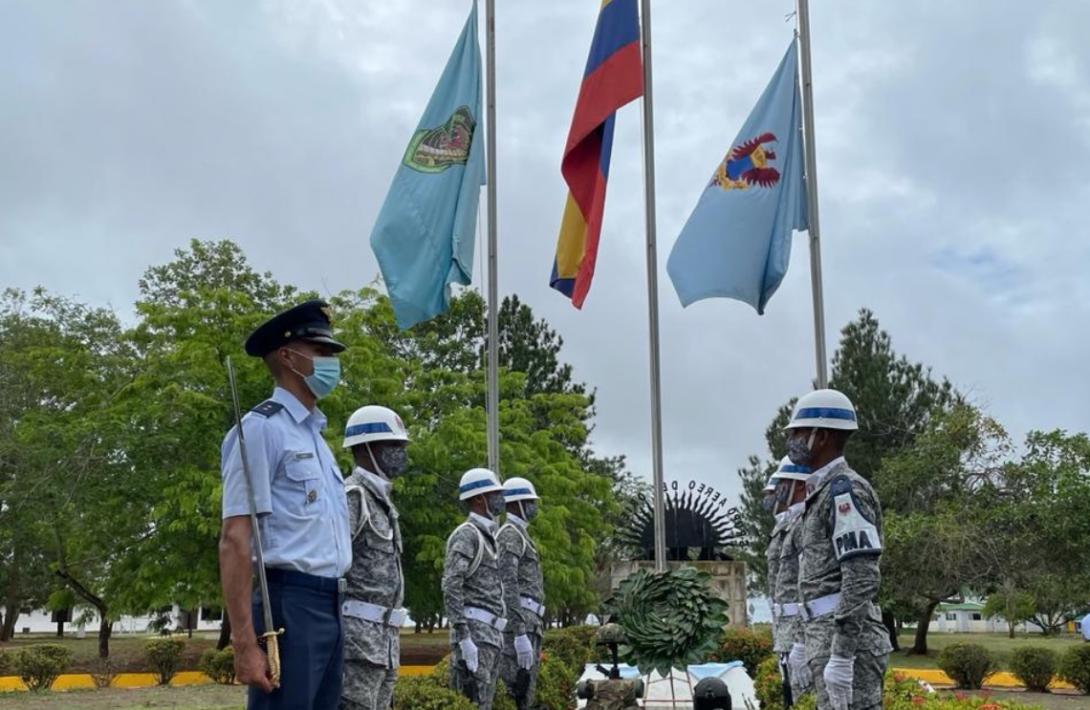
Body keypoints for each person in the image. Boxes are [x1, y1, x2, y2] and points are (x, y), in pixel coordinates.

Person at [219, 300, 352, 709]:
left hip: (332, 602)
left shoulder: (316, 436)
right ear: (288, 356)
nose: (331, 362)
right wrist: (244, 642)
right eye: (321, 352)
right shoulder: (261, 430)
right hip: (289, 606)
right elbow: (235, 539)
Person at [788, 389, 892, 710]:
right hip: (825, 636)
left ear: (822, 436)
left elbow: (860, 576)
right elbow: (817, 580)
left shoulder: (844, 491)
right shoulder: (820, 493)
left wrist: (843, 655)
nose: (792, 439)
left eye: (798, 432)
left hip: (850, 644)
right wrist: (802, 640)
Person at [339, 405, 410, 710]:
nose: (401, 452)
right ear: (366, 447)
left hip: (385, 642)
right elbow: (332, 568)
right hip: (357, 643)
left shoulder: (382, 502)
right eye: (393, 445)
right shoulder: (352, 496)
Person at [442, 468, 509, 709]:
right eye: (495, 493)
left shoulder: (488, 536)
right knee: (473, 703)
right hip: (475, 634)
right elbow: (451, 584)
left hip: (490, 636)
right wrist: (463, 636)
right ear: (479, 498)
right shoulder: (467, 535)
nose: (500, 499)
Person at [767, 457, 812, 703]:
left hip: (799, 625)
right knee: (791, 695)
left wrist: (801, 641)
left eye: (783, 483)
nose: (776, 493)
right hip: (786, 625)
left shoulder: (804, 523)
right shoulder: (786, 526)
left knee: (803, 696)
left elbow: (806, 584)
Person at [497, 477, 545, 708]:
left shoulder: (521, 534)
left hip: (530, 620)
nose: (532, 506)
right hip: (520, 622)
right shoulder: (509, 534)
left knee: (526, 691)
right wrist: (518, 631)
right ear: (515, 503)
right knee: (515, 689)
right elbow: (508, 584)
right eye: (528, 501)